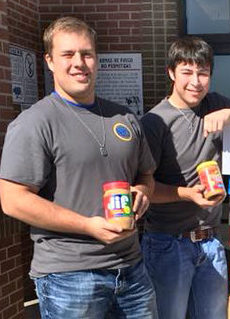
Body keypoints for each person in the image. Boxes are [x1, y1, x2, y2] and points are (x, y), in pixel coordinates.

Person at [0, 17, 158, 318]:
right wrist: (87, 225)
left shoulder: (123, 117)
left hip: (132, 270)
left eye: (86, 53)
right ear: (49, 61)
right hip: (70, 276)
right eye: (67, 54)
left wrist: (142, 192)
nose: (79, 63)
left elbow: (145, 174)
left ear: (96, 59)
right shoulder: (35, 122)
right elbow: (12, 199)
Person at [141, 36, 230, 319]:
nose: (195, 81)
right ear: (171, 73)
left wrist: (229, 114)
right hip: (168, 243)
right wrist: (188, 194)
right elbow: (144, 188)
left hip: (211, 242)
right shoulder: (154, 122)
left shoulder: (214, 103)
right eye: (187, 72)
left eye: (203, 73)